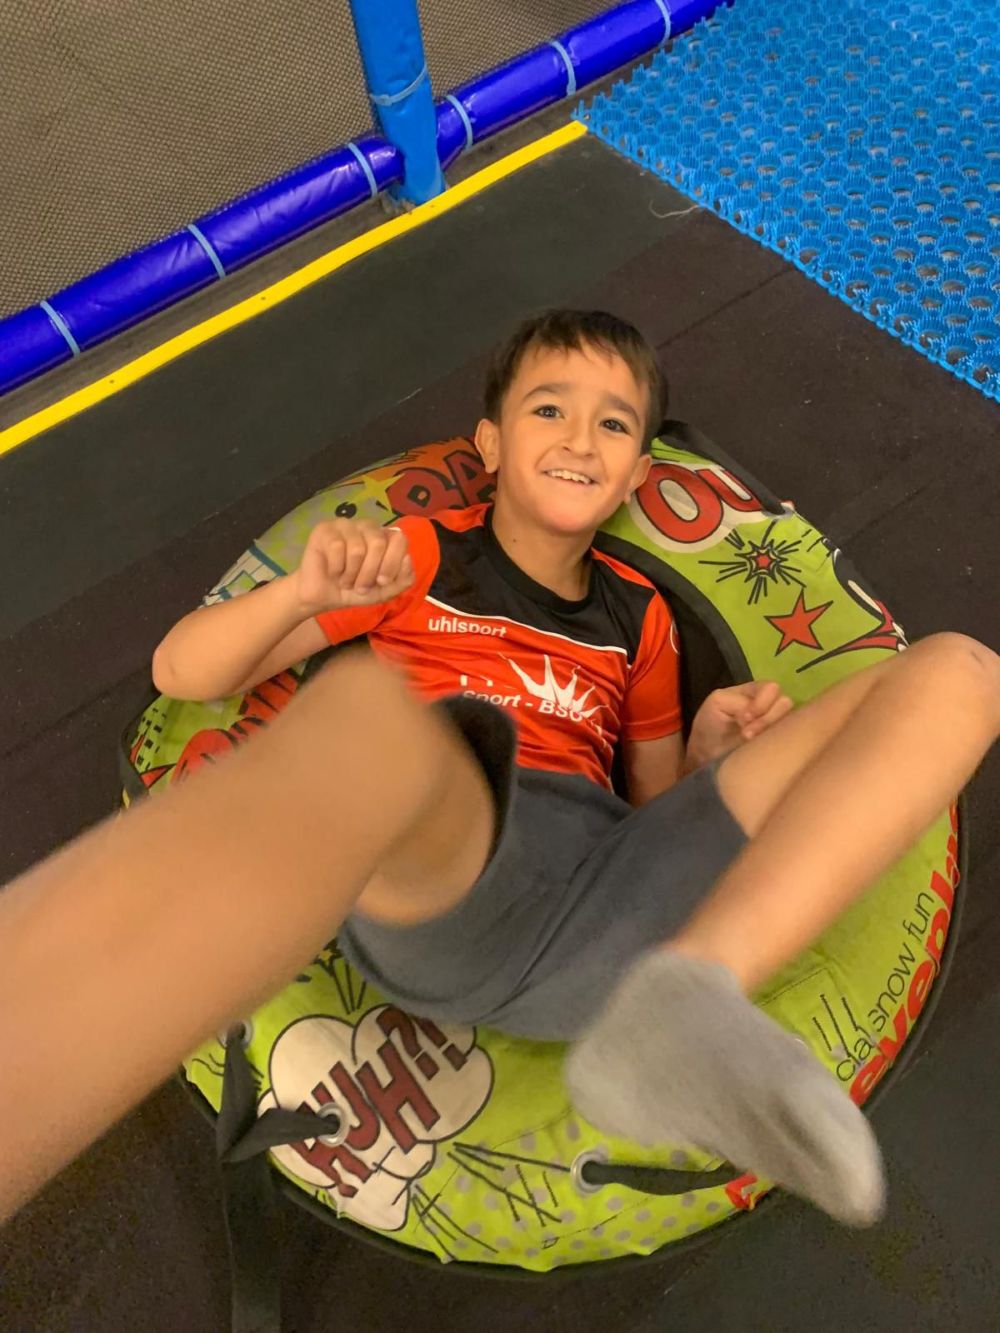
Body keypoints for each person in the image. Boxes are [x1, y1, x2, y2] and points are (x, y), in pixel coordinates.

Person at [2, 312, 997, 1231]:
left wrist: (705, 758)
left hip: (612, 912)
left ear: (635, 474)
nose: (580, 439)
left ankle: (692, 995)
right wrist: (300, 594)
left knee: (963, 671)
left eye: (613, 424)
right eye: (549, 409)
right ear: (489, 444)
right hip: (451, 870)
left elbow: (647, 811)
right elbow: (183, 671)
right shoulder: (422, 556)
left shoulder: (641, 617)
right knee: (373, 719)